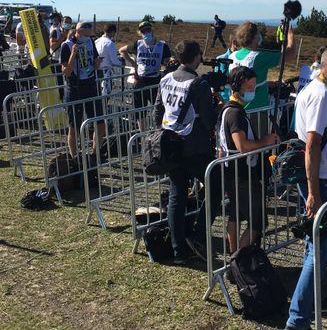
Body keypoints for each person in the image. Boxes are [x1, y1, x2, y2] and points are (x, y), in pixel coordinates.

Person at [285, 45, 327, 330]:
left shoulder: (319, 91)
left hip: (324, 179)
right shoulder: (321, 94)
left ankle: (305, 310)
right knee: (321, 252)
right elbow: (311, 144)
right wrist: (314, 190)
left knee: (315, 247)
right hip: (321, 181)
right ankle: (298, 319)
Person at [152, 40, 218, 264]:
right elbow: (209, 122)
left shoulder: (165, 79)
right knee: (216, 188)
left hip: (171, 145)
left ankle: (179, 249)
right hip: (195, 148)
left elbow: (157, 112)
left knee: (176, 195)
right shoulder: (198, 84)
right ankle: (198, 236)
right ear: (196, 57)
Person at [217, 66, 280, 254]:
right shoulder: (235, 113)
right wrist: (265, 141)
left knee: (236, 215)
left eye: (254, 87)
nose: (252, 91)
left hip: (232, 171)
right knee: (258, 222)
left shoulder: (228, 109)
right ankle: (239, 259)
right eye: (249, 87)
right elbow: (242, 145)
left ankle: (235, 256)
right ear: (237, 87)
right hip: (241, 174)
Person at [229, 21, 295, 137]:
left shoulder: (233, 56)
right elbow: (290, 54)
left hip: (236, 109)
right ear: (254, 37)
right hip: (256, 111)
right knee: (258, 146)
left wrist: (265, 84)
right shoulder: (257, 56)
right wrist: (290, 35)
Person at [60, 22, 104, 158]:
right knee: (74, 126)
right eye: (87, 33)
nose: (89, 36)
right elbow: (66, 72)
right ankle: (74, 157)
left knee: (100, 122)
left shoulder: (90, 42)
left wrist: (97, 63)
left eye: (90, 34)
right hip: (74, 88)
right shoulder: (66, 45)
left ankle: (95, 154)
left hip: (90, 84)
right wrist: (73, 54)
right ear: (79, 32)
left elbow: (95, 64)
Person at [119, 21, 172, 112]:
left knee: (159, 109)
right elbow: (122, 50)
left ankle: (158, 125)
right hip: (140, 81)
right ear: (140, 33)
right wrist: (132, 63)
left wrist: (165, 65)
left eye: (148, 30)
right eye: (143, 31)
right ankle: (141, 127)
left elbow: (167, 61)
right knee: (140, 111)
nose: (146, 33)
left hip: (155, 81)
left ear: (152, 30)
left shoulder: (162, 46)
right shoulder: (138, 44)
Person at [94, 24, 122, 95]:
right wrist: (121, 62)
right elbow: (114, 61)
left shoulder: (96, 41)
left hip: (96, 71)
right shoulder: (110, 43)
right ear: (112, 32)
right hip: (106, 72)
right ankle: (104, 105)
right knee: (106, 92)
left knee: (97, 92)